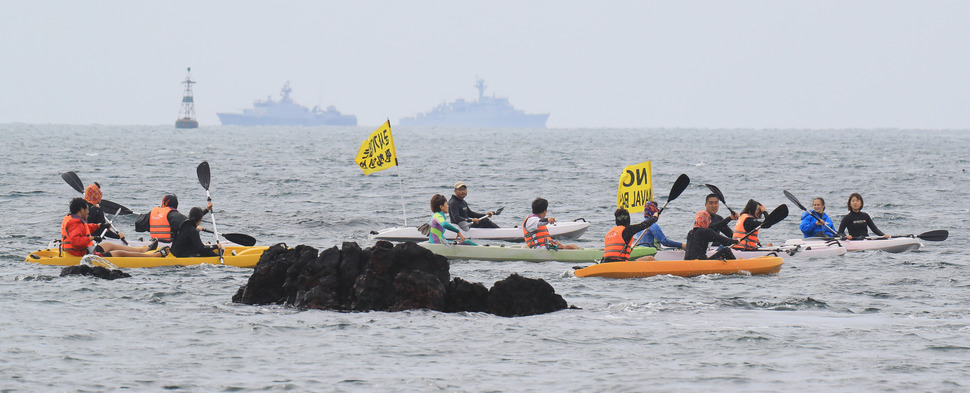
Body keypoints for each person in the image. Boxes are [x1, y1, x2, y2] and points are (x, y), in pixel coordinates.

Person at [61, 198, 166, 258]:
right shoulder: (75, 223)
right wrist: (92, 238)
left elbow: (84, 228)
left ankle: (143, 250)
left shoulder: (72, 219)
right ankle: (153, 256)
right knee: (119, 253)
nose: (88, 212)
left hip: (84, 252)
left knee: (108, 244)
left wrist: (99, 225)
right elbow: (76, 242)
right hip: (81, 254)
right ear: (81, 210)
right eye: (87, 209)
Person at [140, 194, 212, 243]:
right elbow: (191, 222)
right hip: (169, 245)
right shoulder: (174, 215)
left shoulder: (153, 212)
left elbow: (139, 225)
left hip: (154, 242)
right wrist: (198, 228)